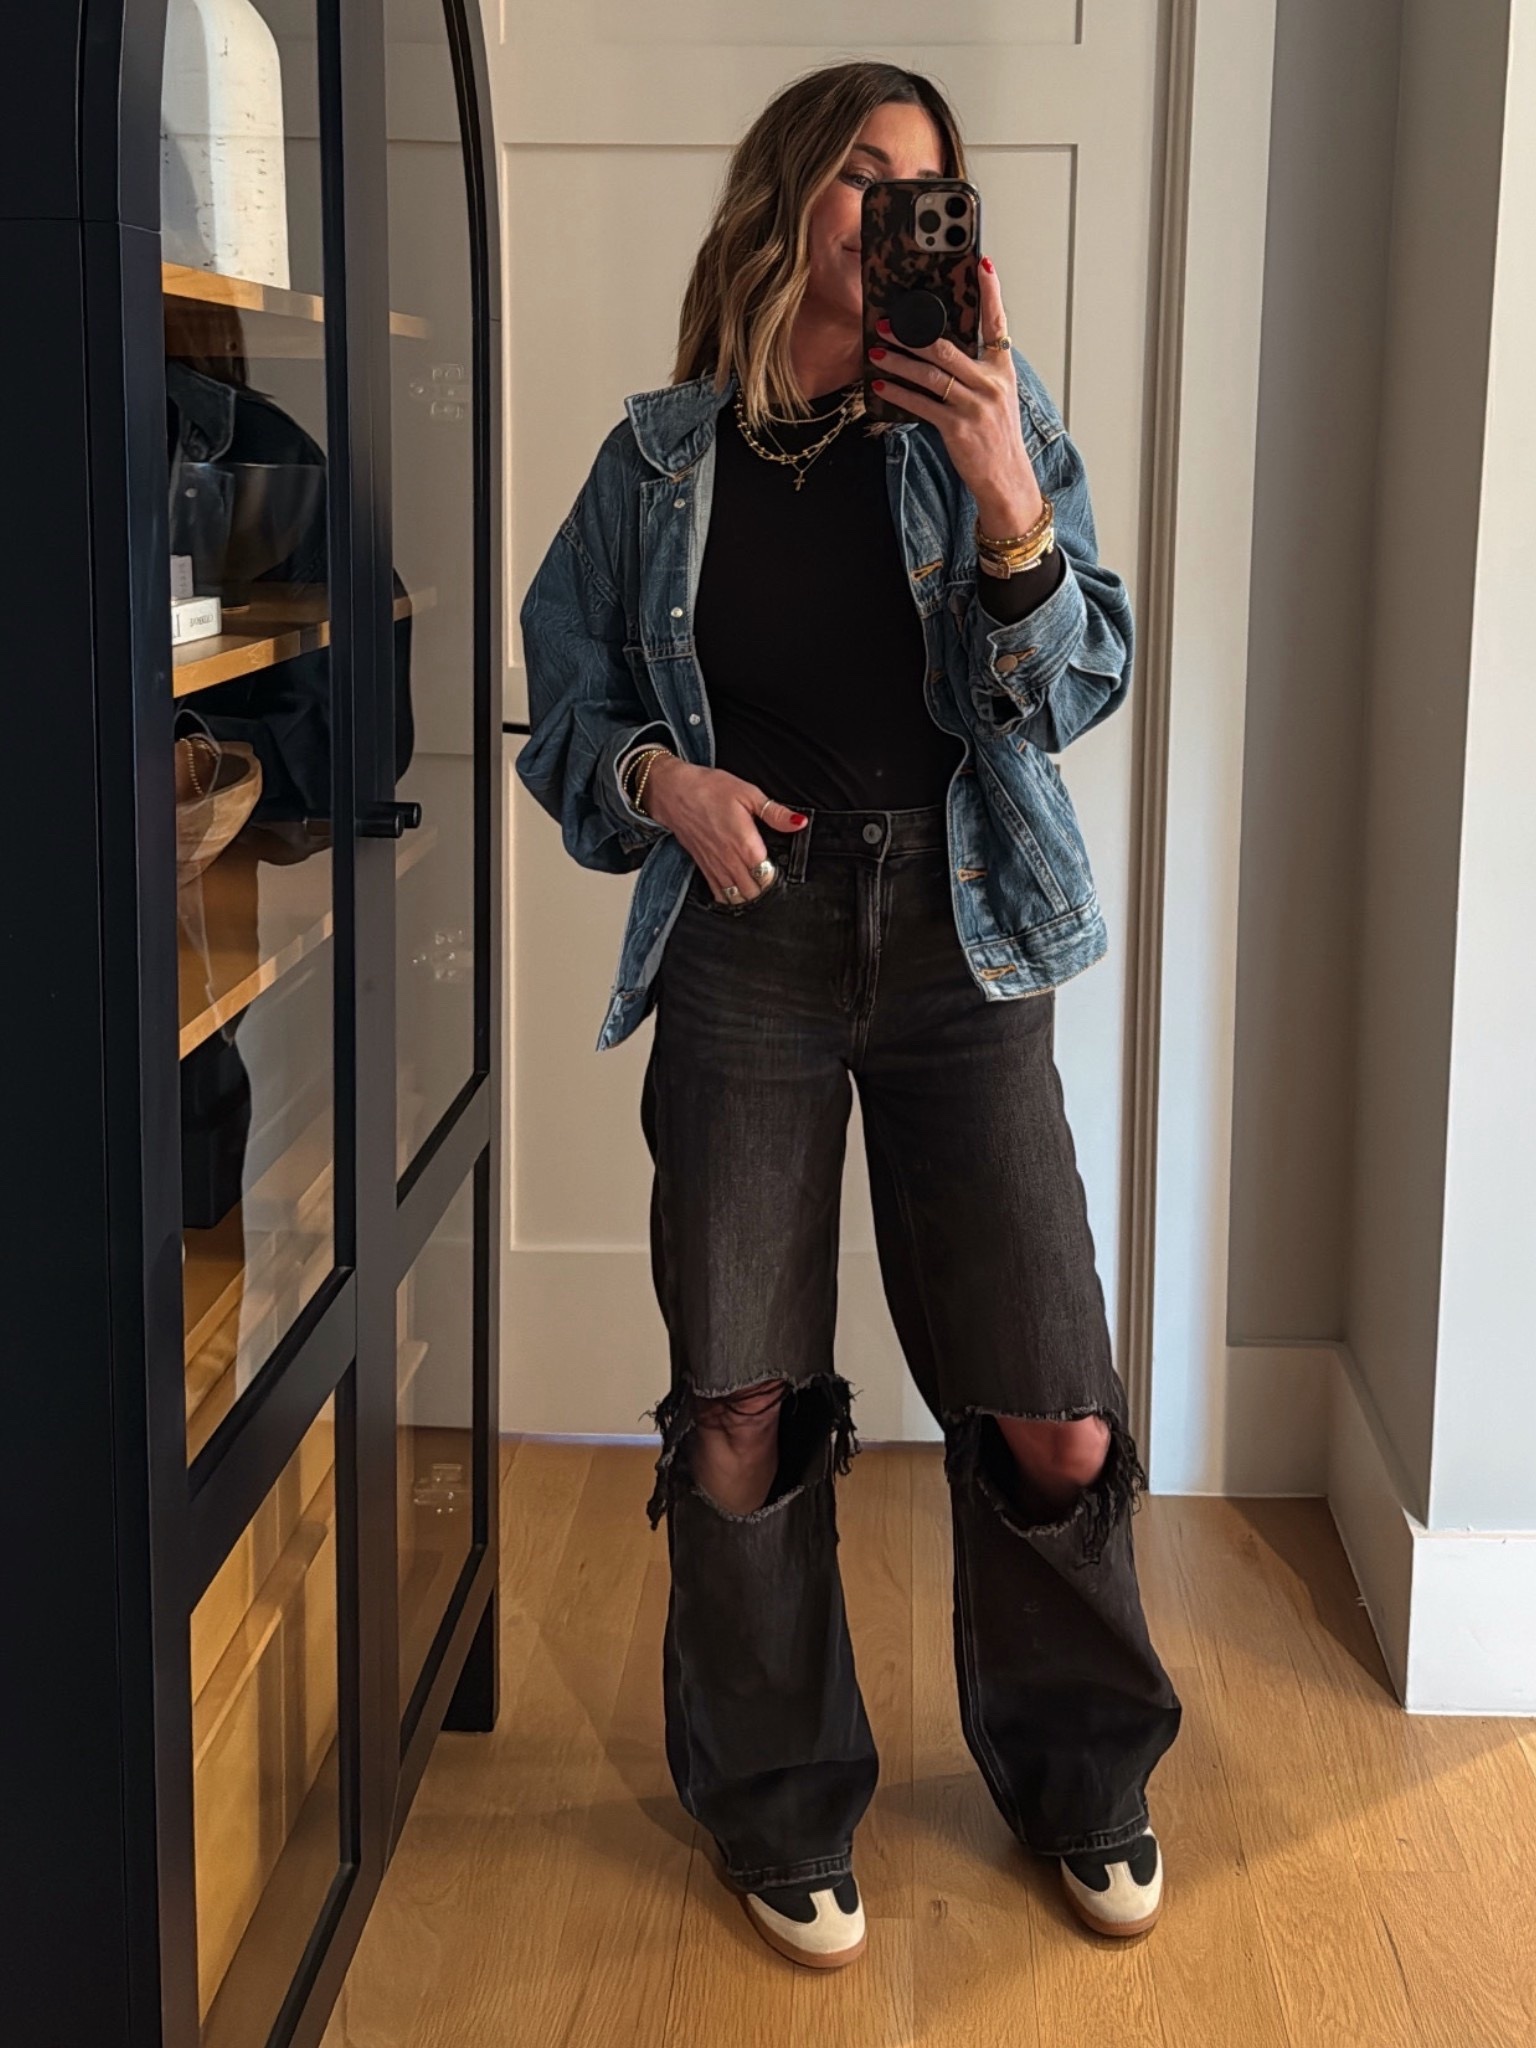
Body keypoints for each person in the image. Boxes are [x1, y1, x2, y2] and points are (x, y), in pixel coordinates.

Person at [516, 58, 1181, 1971]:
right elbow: (564, 714)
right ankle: (777, 1802)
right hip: (751, 938)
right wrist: (663, 784)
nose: (904, 214)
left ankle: (1080, 1772)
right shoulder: (658, 462)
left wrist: (1006, 502)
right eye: (870, 177)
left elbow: (1074, 688)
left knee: (1052, 1406)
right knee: (739, 1399)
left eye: (930, 187)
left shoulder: (984, 415)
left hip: (963, 941)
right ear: (791, 195)